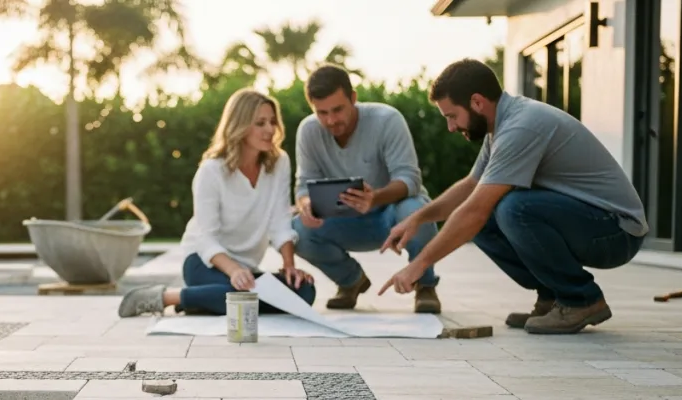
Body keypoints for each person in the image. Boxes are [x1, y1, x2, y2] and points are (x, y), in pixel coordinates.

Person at [377, 58, 648, 335]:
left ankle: (581, 299)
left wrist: (419, 264)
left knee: (513, 208)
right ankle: (553, 297)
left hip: (617, 231)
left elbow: (474, 211)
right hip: (593, 223)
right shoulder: (500, 127)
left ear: (477, 102)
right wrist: (417, 219)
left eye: (452, 116)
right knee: (498, 214)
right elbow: (471, 186)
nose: (451, 127)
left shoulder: (521, 127)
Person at [117, 88, 317, 318]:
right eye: (260, 123)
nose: (270, 130)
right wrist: (234, 270)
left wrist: (290, 267)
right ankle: (164, 297)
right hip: (205, 262)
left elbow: (280, 220)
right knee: (238, 297)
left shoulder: (279, 162)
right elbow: (205, 239)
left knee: (304, 292)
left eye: (272, 122)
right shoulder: (212, 170)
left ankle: (204, 300)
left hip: (246, 270)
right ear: (240, 125)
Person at [291, 64, 443, 314]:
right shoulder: (308, 131)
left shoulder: (387, 120)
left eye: (338, 109)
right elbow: (303, 186)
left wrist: (375, 198)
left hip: (390, 215)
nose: (331, 120)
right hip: (343, 220)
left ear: (353, 98)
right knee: (297, 230)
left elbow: (410, 179)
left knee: (418, 211)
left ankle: (425, 284)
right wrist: (306, 205)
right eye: (322, 112)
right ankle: (351, 281)